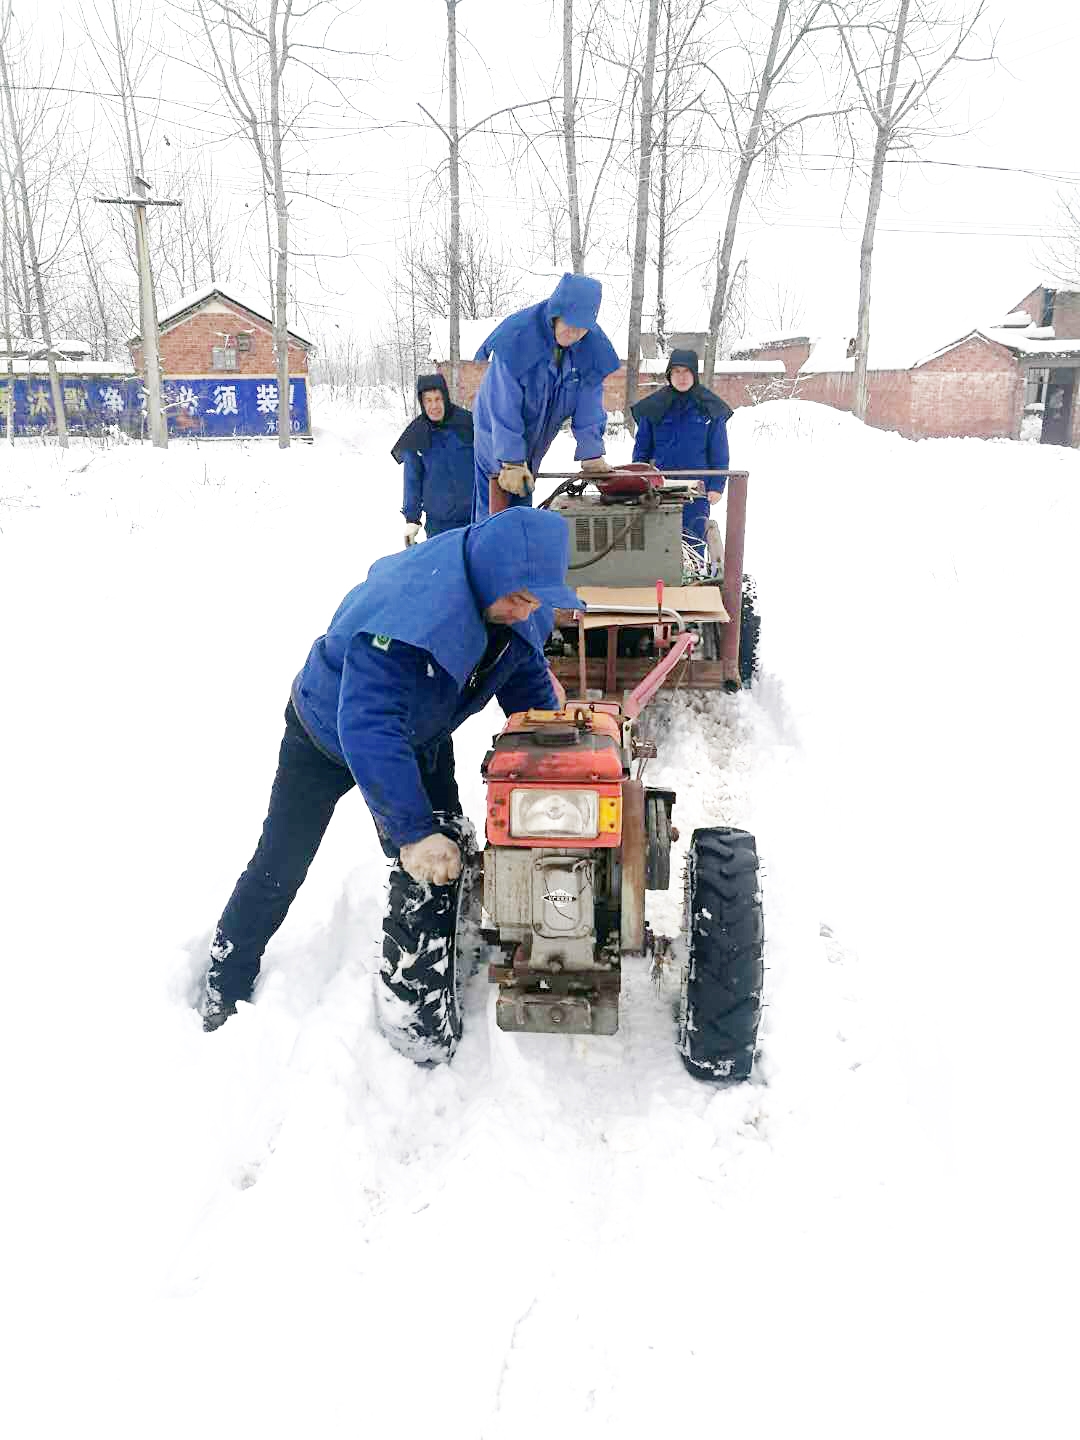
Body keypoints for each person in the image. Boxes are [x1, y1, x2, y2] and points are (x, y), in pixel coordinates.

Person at [200, 507, 583, 1032]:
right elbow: (367, 726)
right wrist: (410, 831)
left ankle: (440, 946)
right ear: (493, 575)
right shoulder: (411, 609)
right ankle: (227, 976)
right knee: (281, 862)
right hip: (326, 736)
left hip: (422, 731)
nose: (526, 611)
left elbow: (520, 674)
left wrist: (552, 729)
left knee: (444, 850)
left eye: (536, 601)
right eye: (519, 599)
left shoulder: (519, 606)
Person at [472, 272, 620, 521]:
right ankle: (486, 554)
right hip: (495, 439)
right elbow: (502, 406)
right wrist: (510, 460)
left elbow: (589, 405)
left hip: (535, 443)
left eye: (582, 329)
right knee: (493, 515)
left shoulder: (589, 349)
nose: (575, 334)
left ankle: (518, 555)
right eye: (570, 325)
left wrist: (592, 454)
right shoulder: (518, 338)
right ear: (556, 314)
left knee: (522, 509)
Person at [630, 348, 733, 558]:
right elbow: (641, 452)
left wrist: (717, 486)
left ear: (695, 374)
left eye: (687, 371)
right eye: (676, 371)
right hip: (660, 489)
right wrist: (639, 481)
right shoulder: (655, 407)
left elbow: (719, 452)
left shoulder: (709, 408)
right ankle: (662, 587)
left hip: (697, 490)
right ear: (669, 374)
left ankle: (692, 586)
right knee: (659, 543)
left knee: (693, 541)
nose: (682, 377)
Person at [391, 373, 474, 547]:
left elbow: (487, 462)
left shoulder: (468, 424)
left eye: (437, 399)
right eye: (428, 400)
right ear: (422, 403)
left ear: (445, 398)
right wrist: (411, 519)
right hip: (439, 524)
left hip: (474, 518)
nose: (434, 406)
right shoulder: (417, 434)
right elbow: (412, 479)